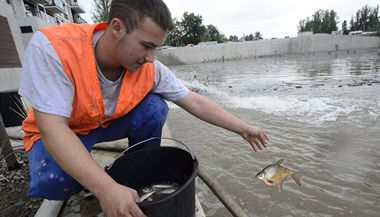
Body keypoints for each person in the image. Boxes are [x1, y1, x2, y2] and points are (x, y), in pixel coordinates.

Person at [19, 0, 269, 216]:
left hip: (101, 125)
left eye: (156, 48)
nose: (151, 57)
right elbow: (53, 130)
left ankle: (138, 176)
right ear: (116, 27)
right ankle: (101, 185)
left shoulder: (149, 67)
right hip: (61, 131)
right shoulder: (54, 47)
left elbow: (193, 100)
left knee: (155, 108)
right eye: (147, 45)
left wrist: (243, 128)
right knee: (56, 182)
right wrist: (105, 189)